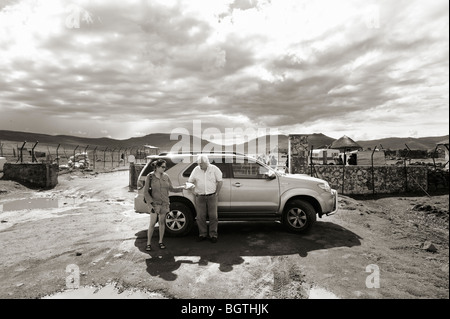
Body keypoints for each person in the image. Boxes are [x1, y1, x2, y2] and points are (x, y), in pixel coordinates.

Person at [144, 159, 185, 251]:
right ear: (157, 167)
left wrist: (183, 187)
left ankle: (160, 241)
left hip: (165, 204)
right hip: (155, 204)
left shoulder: (166, 176)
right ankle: (148, 243)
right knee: (152, 223)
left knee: (162, 223)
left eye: (165, 167)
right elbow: (146, 192)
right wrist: (150, 205)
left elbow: (172, 188)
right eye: (162, 167)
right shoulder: (150, 176)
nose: (164, 168)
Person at [188, 154, 223, 243]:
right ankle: (202, 234)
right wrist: (193, 191)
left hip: (212, 196)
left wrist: (217, 193)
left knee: (213, 216)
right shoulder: (196, 170)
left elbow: (220, 181)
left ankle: (213, 235)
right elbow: (190, 181)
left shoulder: (214, 169)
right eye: (199, 163)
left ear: (207, 162)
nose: (200, 165)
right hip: (200, 196)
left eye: (202, 163)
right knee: (200, 217)